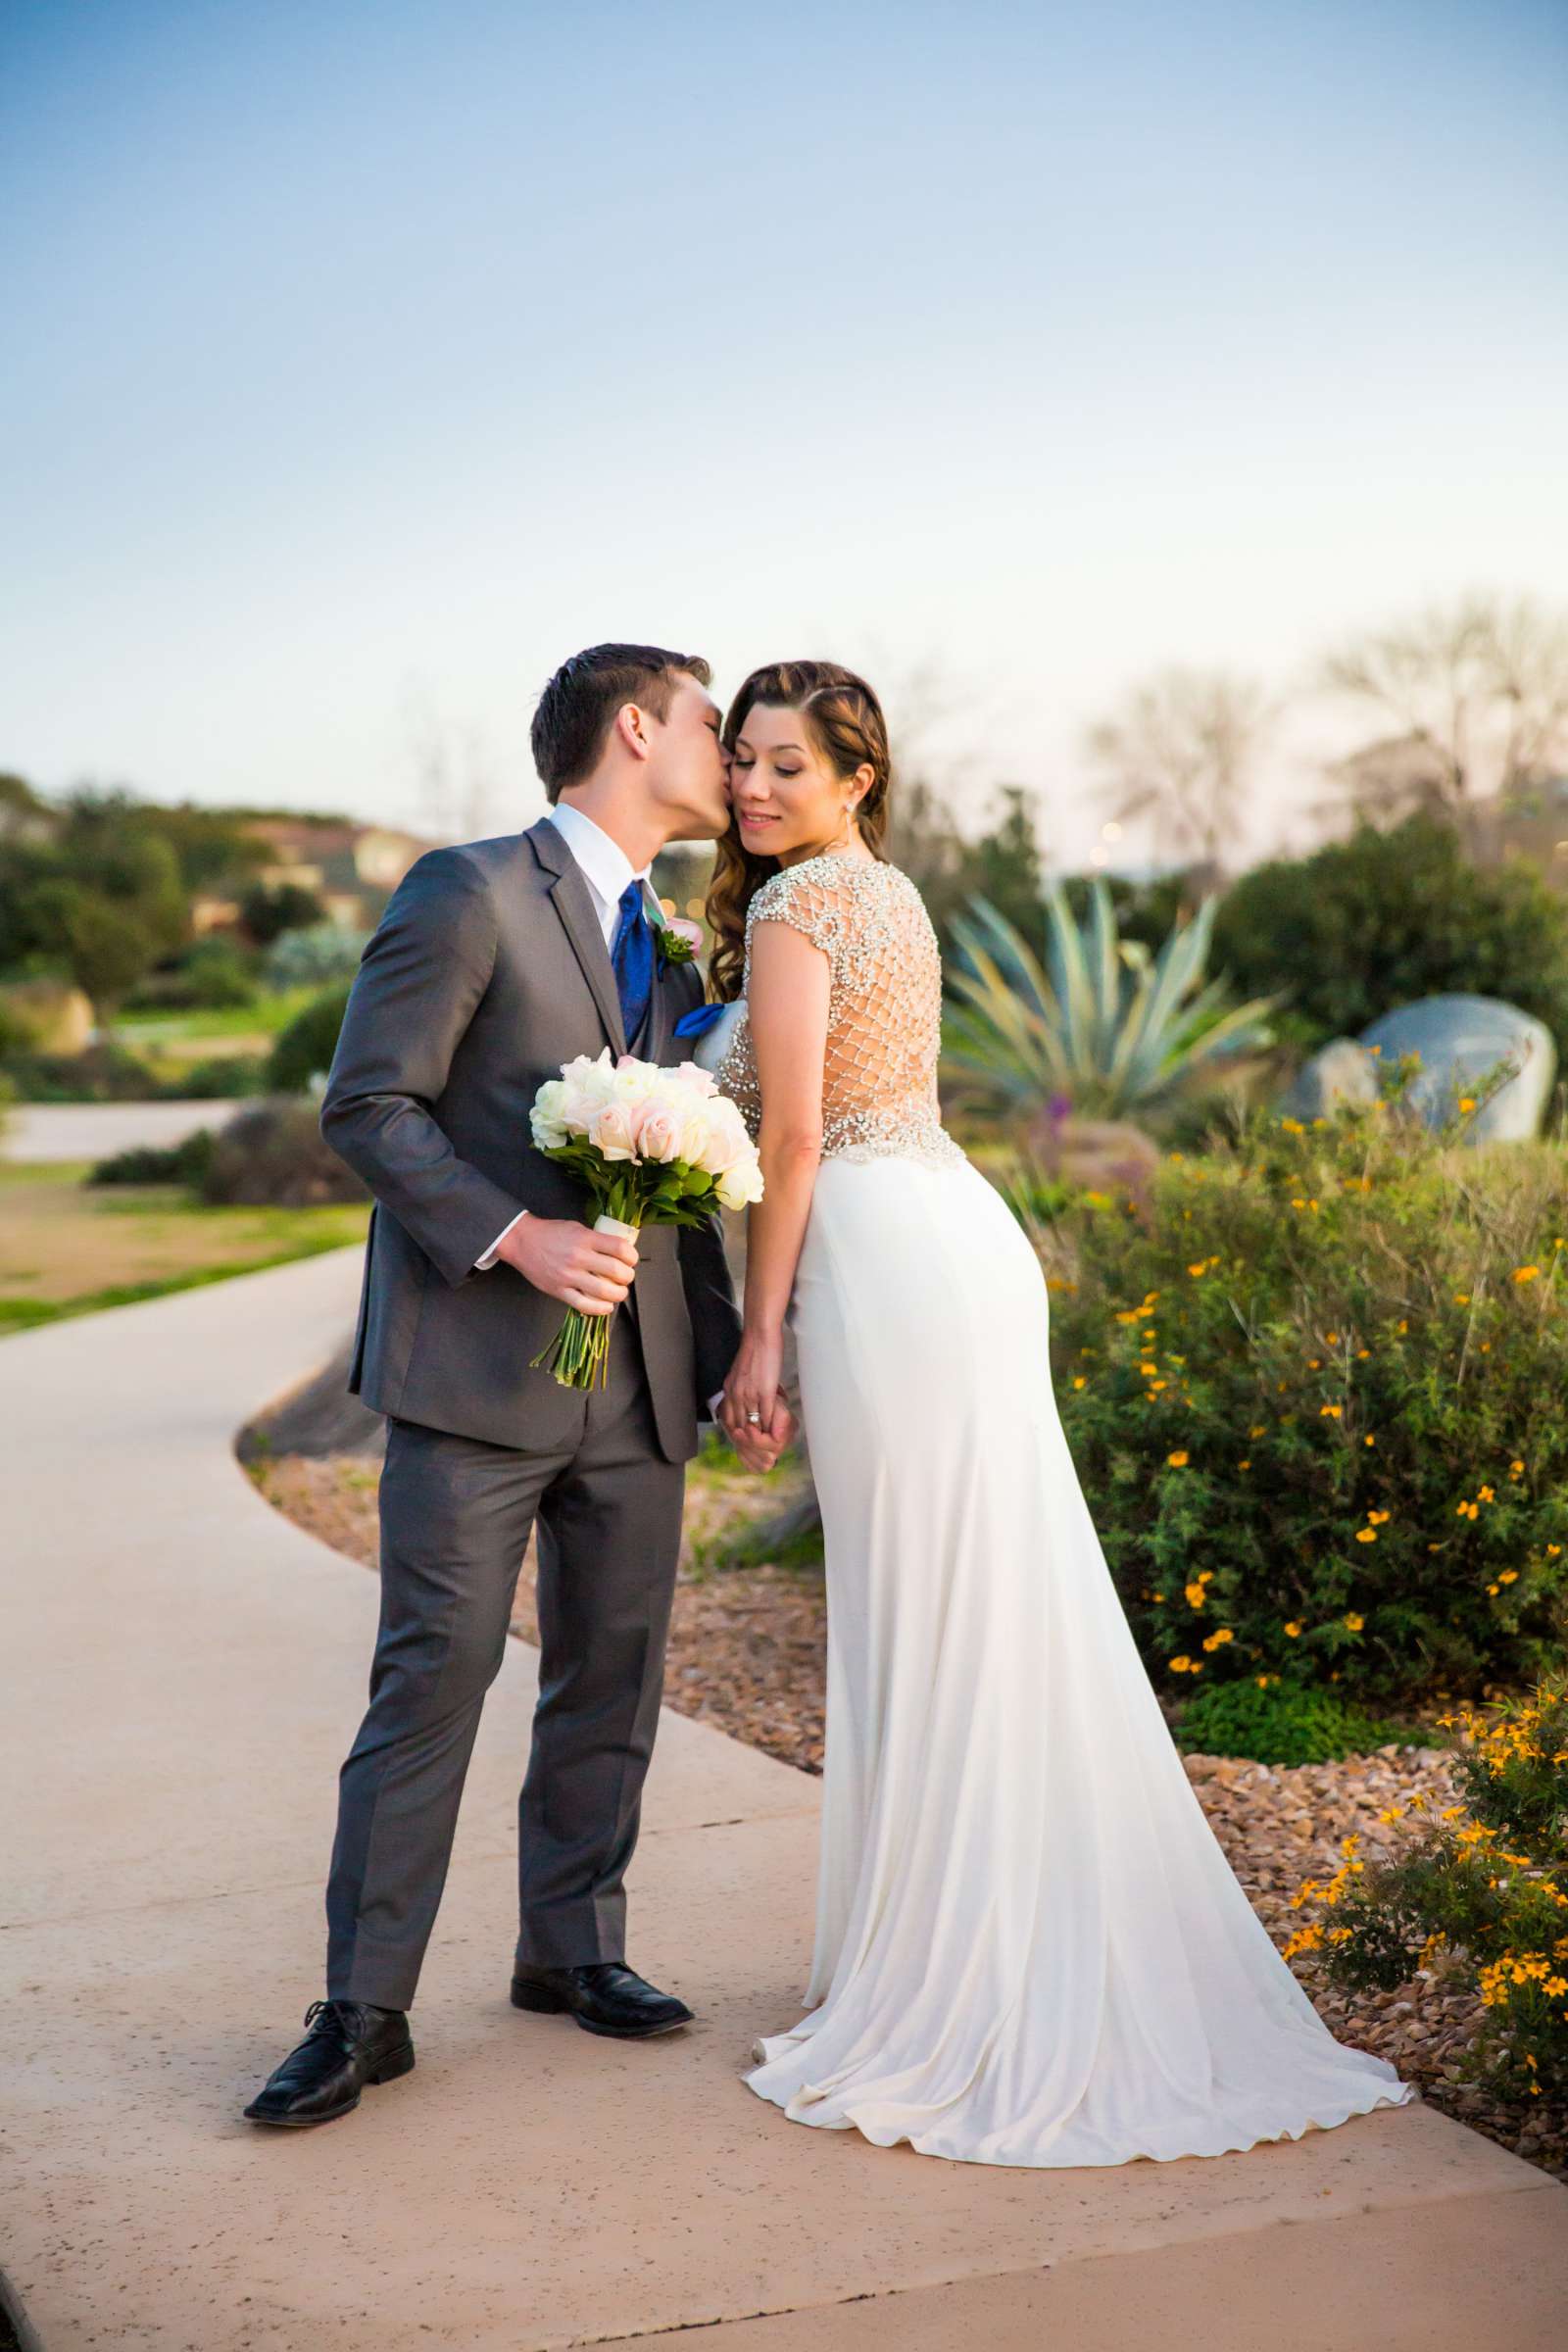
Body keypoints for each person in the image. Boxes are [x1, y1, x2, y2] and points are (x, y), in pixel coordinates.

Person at [710, 659, 1414, 2167]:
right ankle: (986, 1940)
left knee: (928, 1610)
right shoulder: (885, 893)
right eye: (741, 762)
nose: (755, 788)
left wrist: (757, 1334)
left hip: (881, 1270)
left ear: (856, 778)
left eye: (785, 764)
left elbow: (789, 1130)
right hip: (958, 1243)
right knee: (993, 1601)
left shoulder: (789, 909)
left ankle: (964, 1976)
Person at [244, 644, 775, 2131]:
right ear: (635, 730)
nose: (728, 759)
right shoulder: (467, 891)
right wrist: (515, 1233)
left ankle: (575, 1953)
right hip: (475, 1375)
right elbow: (369, 1103)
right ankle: (362, 2009)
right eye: (710, 728)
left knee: (613, 1675)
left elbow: (686, 1173)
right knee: (432, 1685)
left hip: (644, 1381)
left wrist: (730, 1351)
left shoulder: (665, 939)